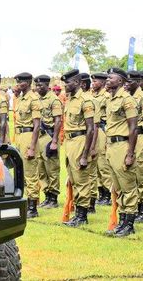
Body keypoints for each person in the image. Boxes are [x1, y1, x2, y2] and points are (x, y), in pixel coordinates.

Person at [104, 67, 139, 237]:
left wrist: (130, 153)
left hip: (122, 145)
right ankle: (123, 219)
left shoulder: (127, 99)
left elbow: (133, 128)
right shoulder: (111, 99)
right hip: (111, 146)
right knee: (117, 186)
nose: (108, 79)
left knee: (128, 186)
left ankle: (129, 223)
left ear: (120, 81)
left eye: (111, 78)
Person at [61, 69, 97, 227]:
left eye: (67, 83)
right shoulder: (70, 100)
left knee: (82, 179)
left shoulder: (85, 100)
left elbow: (91, 128)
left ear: (76, 82)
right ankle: (77, 212)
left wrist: (85, 154)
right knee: (73, 177)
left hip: (80, 140)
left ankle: (82, 215)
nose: (65, 86)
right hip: (69, 142)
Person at [125, 71, 143, 223]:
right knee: (130, 174)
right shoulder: (125, 98)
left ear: (138, 82)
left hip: (141, 137)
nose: (126, 84)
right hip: (129, 138)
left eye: (130, 81)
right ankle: (133, 206)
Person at [13, 72, 42, 218]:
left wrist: (31, 147)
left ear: (29, 82)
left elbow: (37, 126)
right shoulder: (21, 98)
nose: (19, 84)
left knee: (30, 173)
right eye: (18, 82)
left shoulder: (33, 99)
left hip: (29, 135)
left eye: (22, 82)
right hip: (19, 136)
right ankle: (25, 203)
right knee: (22, 173)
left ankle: (33, 207)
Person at [34, 75, 63, 209]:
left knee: (52, 168)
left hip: (49, 136)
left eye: (41, 86)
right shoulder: (36, 99)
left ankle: (53, 198)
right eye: (37, 85)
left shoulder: (54, 100)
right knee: (41, 168)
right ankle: (46, 195)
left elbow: (58, 121)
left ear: (47, 85)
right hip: (39, 137)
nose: (38, 88)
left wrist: (55, 141)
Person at [91, 72, 112, 207]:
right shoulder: (92, 95)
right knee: (96, 163)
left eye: (96, 82)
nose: (93, 84)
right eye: (92, 82)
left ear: (103, 83)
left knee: (103, 164)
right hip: (94, 129)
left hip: (103, 129)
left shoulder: (107, 96)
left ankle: (108, 193)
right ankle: (101, 192)